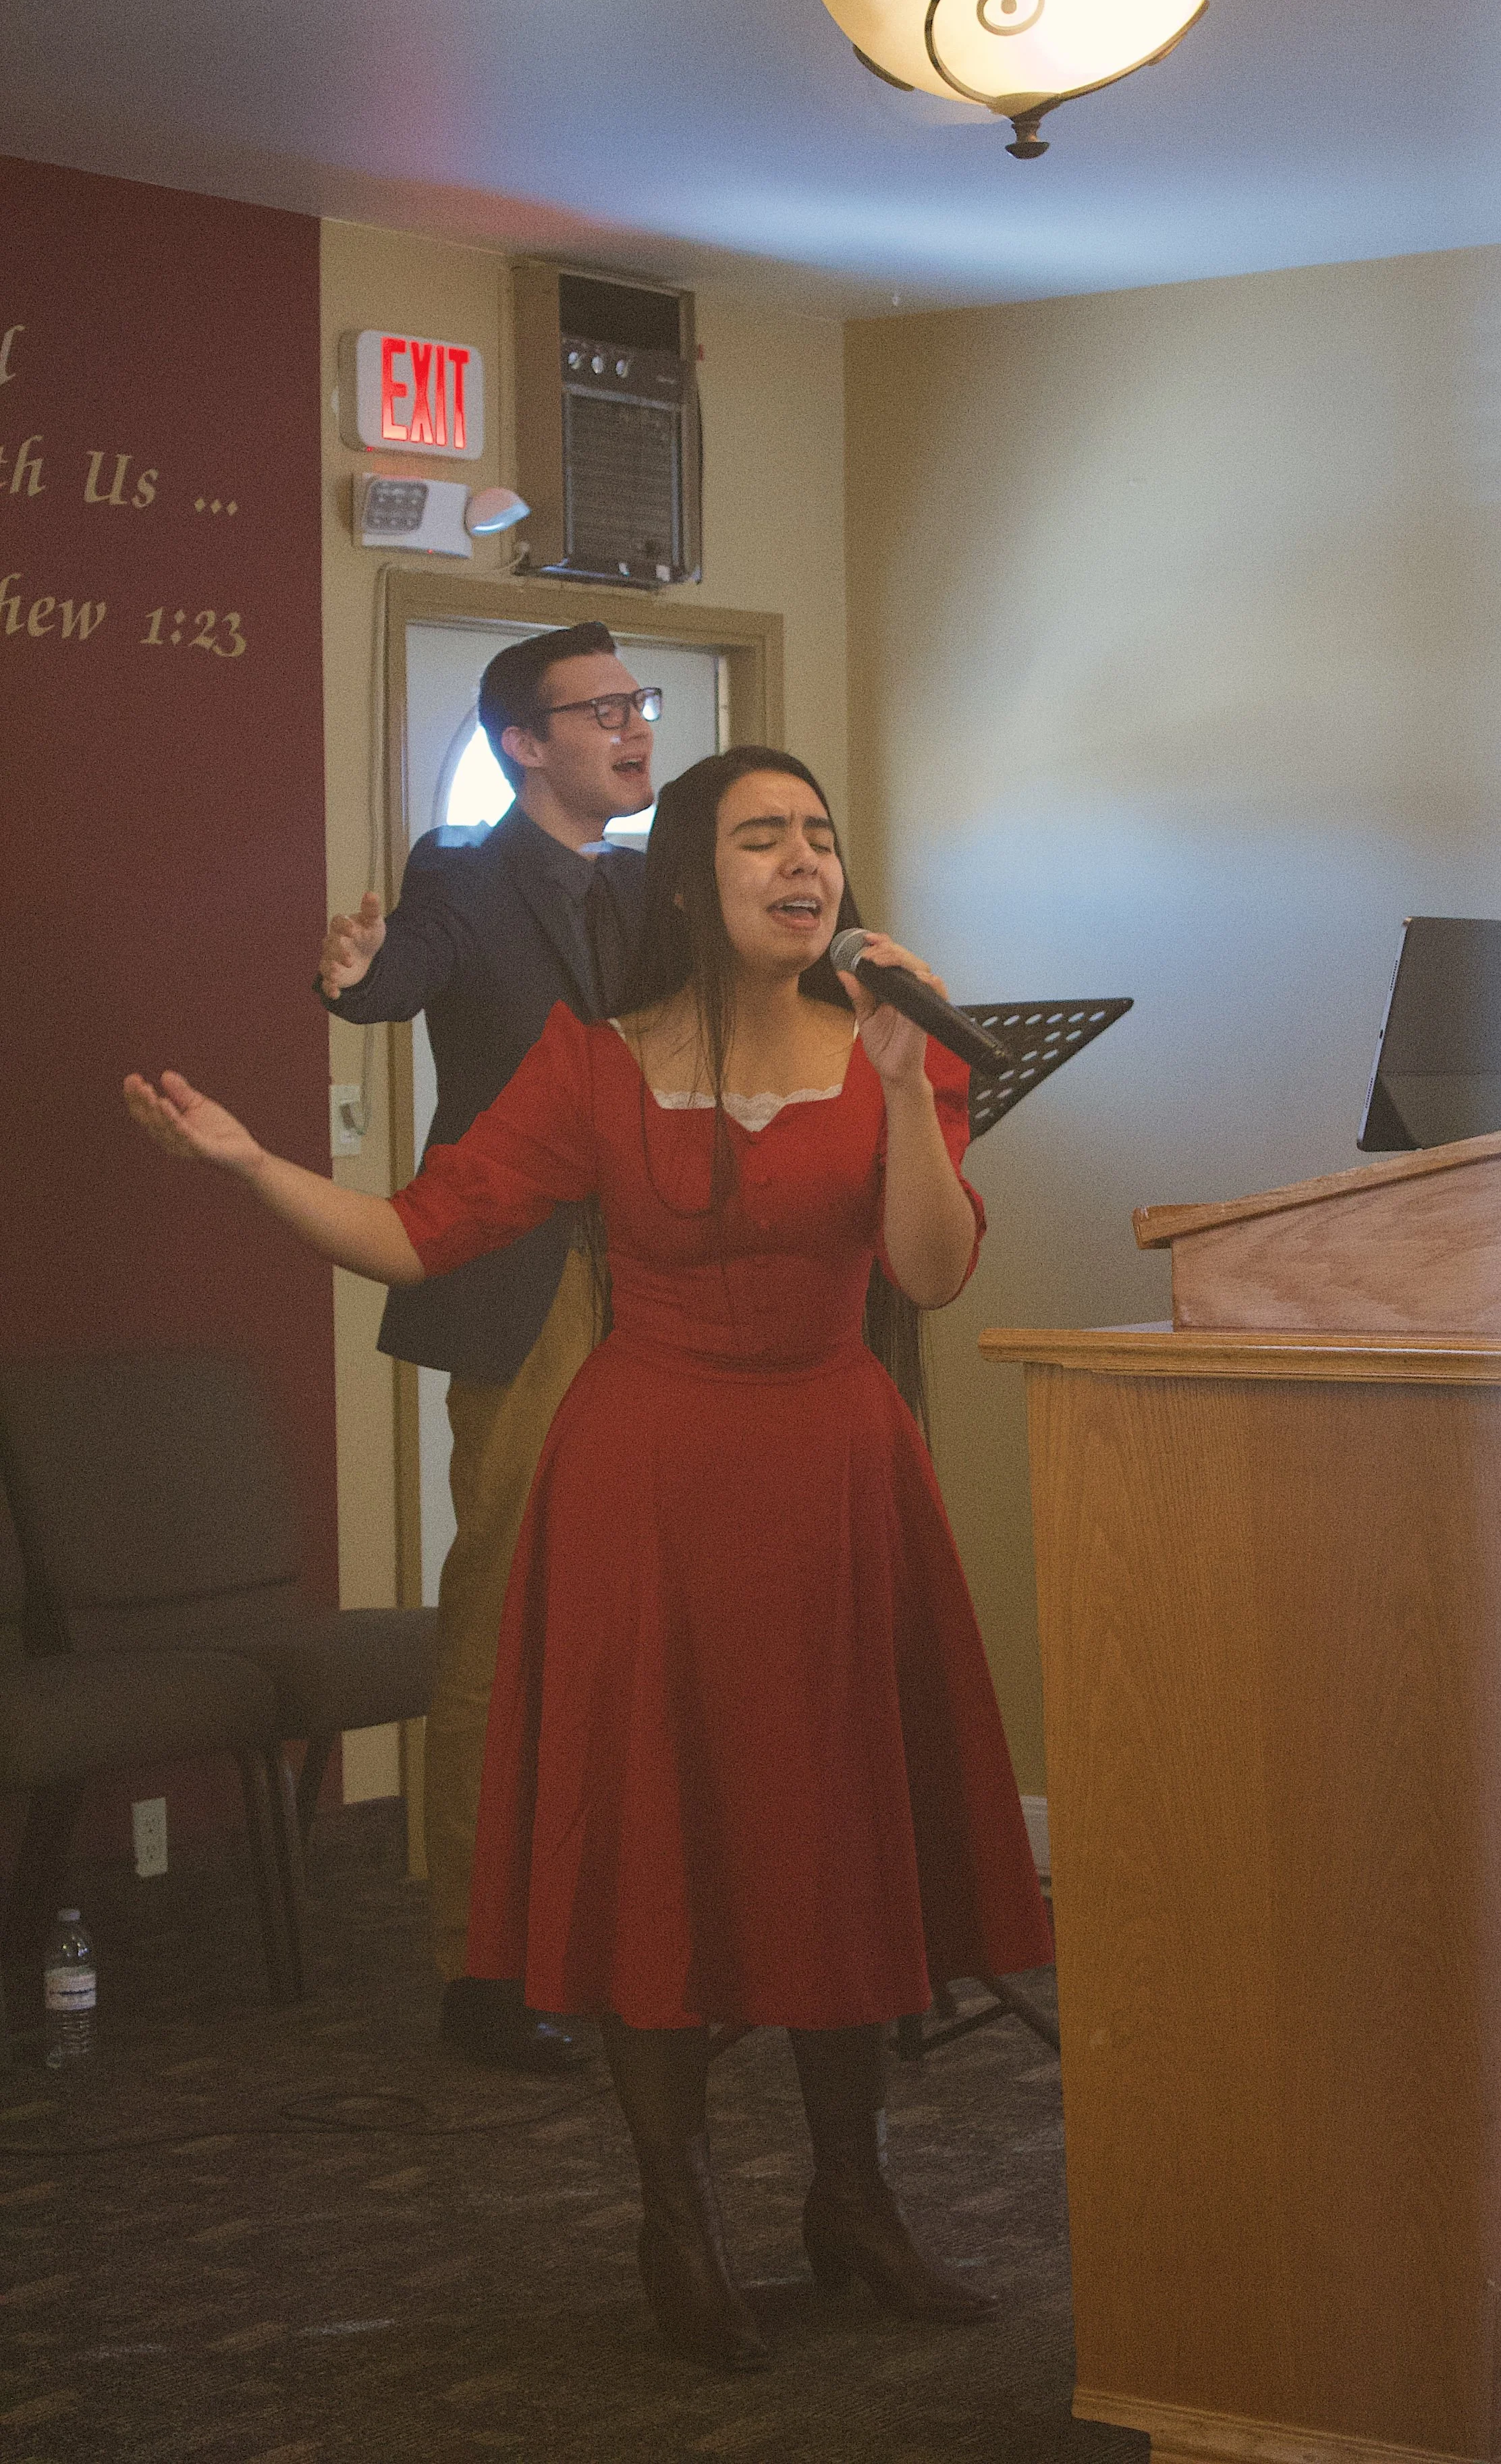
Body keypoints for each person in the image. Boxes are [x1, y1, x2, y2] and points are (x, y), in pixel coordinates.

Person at [126, 745, 1053, 2373]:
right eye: (763, 835)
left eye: (820, 836)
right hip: (647, 1482)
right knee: (659, 1841)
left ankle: (855, 2200)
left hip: (835, 1465)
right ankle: (672, 2222)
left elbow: (931, 1267)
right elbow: (421, 1231)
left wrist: (908, 1082)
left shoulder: (891, 1050)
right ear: (686, 879)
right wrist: (248, 1166)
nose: (804, 860)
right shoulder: (593, 1064)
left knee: (832, 1833)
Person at [317, 621, 652, 2073]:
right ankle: (480, 1968)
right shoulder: (461, 867)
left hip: (669, 1282)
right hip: (525, 1284)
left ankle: (638, 1929)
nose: (635, 728)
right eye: (603, 711)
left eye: (641, 705)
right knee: (506, 1611)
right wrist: (353, 976)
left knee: (646, 1620)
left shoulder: (654, 885)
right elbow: (398, 982)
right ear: (527, 742)